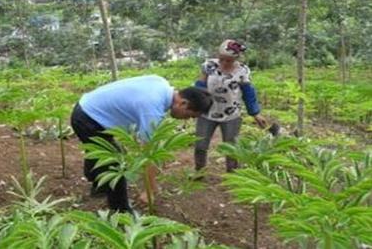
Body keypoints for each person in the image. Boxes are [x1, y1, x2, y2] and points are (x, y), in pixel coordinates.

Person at [71, 75, 212, 213]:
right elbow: (148, 155)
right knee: (116, 163)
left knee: (101, 153)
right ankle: (121, 211)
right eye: (190, 115)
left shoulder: (161, 83)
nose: (187, 120)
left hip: (89, 106)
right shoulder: (152, 110)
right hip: (88, 118)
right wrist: (150, 190)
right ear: (183, 103)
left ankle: (99, 186)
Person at [194, 39, 267, 173]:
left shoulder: (242, 71)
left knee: (231, 147)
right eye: (222, 59)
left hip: (231, 114)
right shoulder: (209, 66)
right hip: (208, 112)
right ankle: (199, 171)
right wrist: (195, 106)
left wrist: (255, 113)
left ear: (236, 59)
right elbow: (200, 86)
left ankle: (232, 175)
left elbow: (248, 93)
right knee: (200, 144)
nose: (224, 63)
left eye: (229, 60)